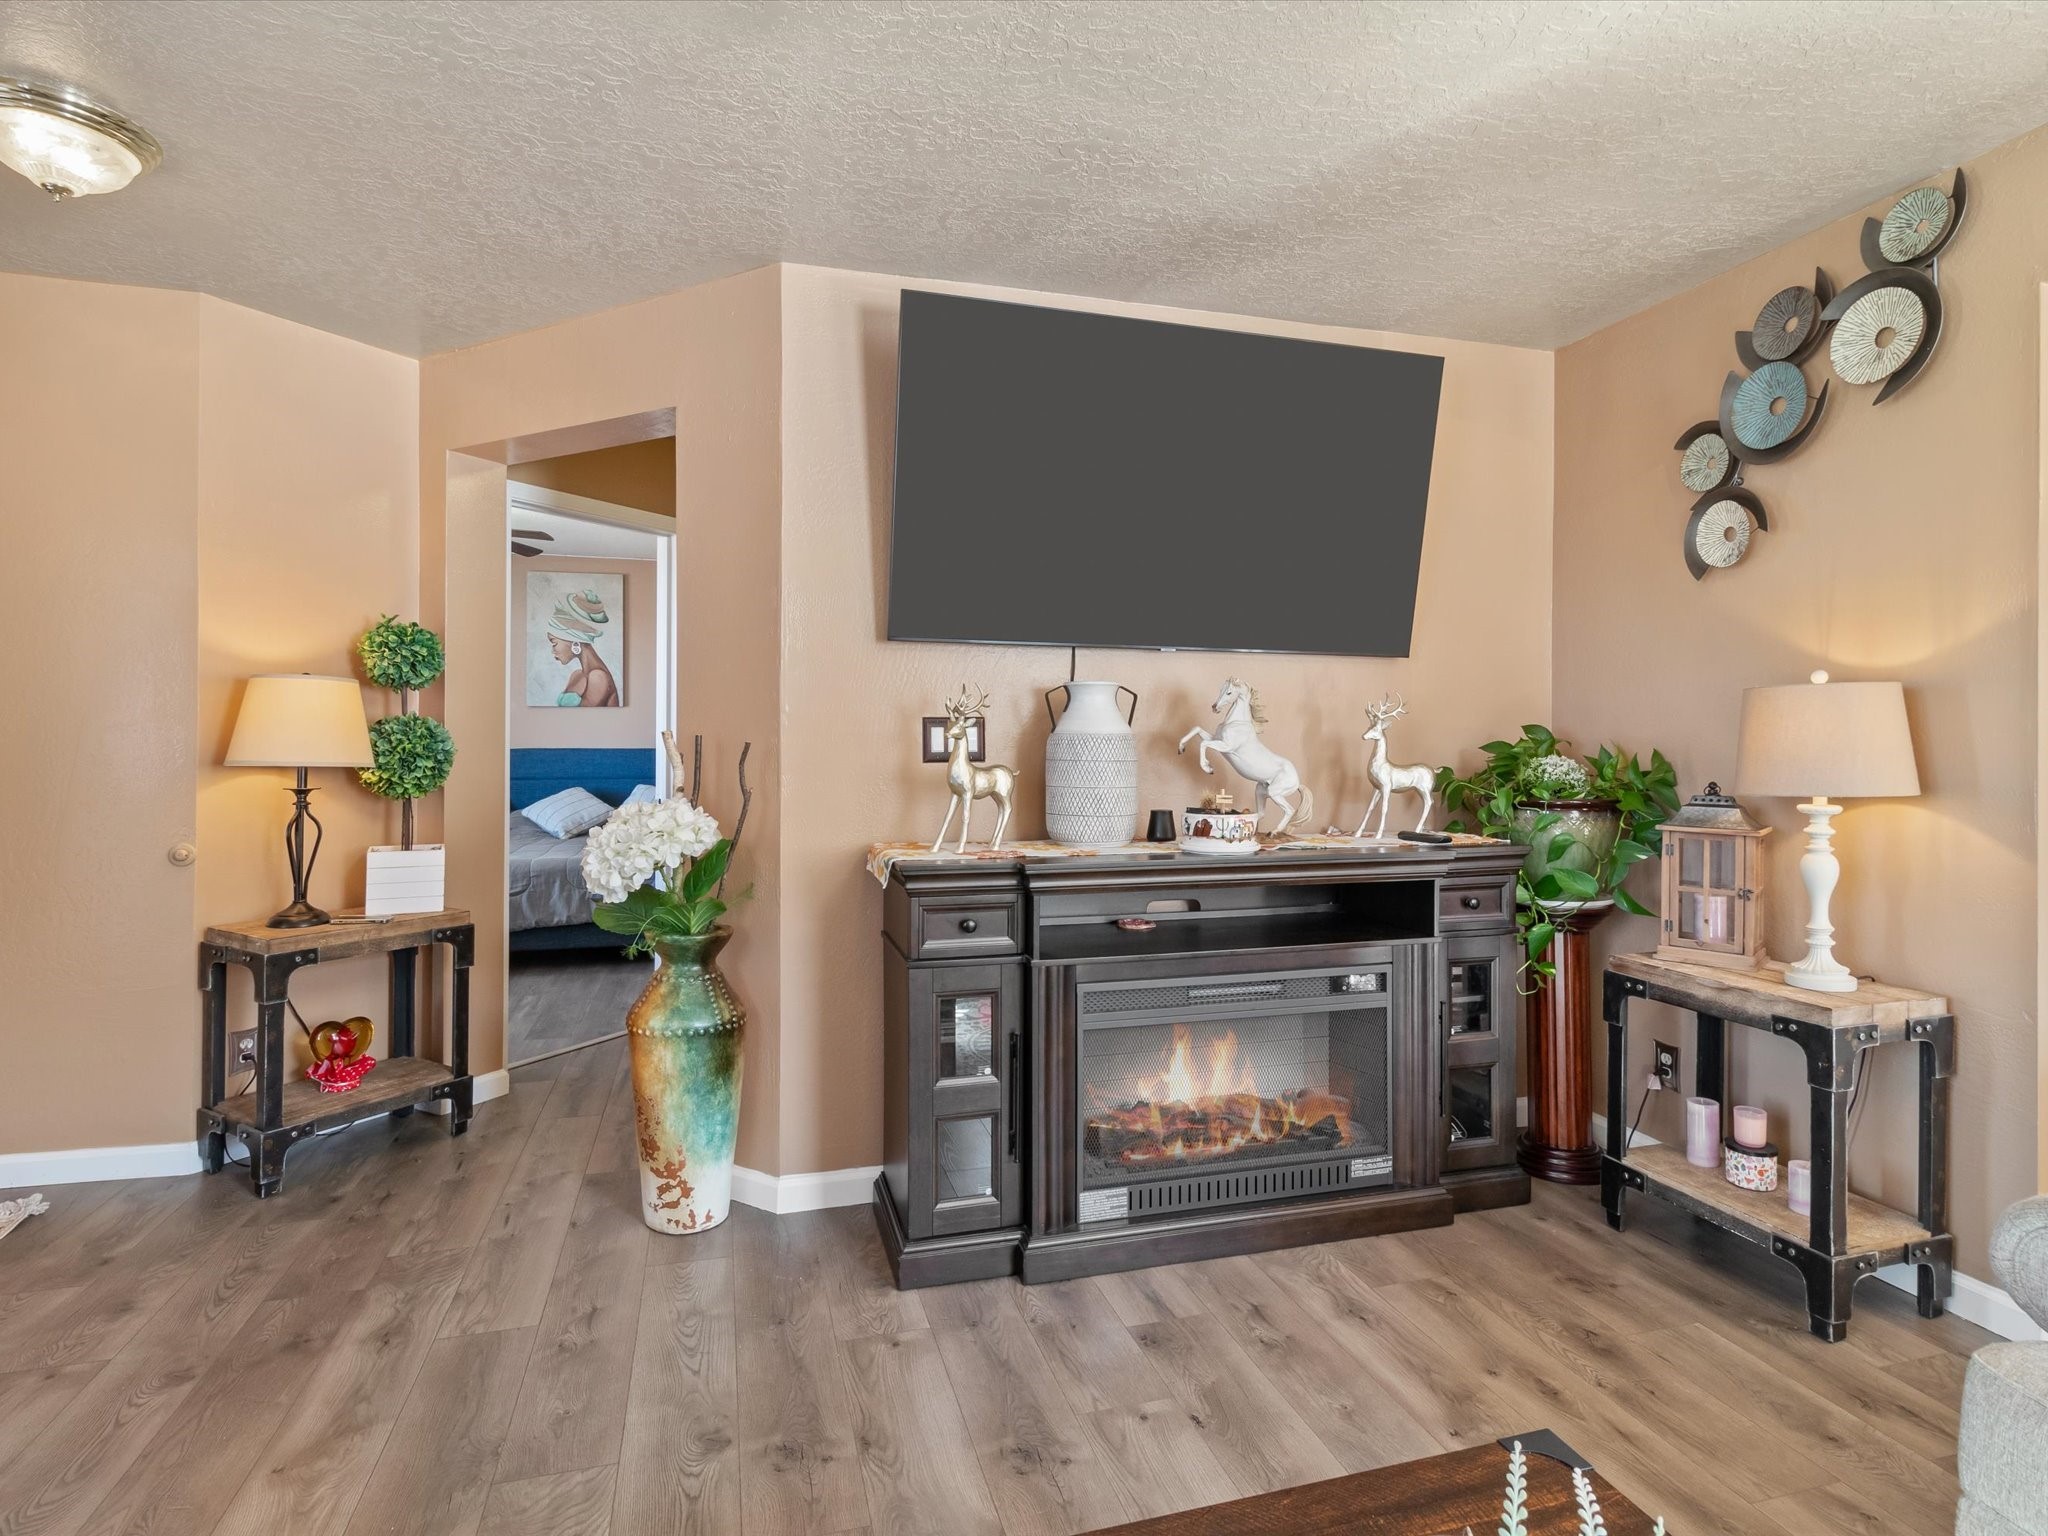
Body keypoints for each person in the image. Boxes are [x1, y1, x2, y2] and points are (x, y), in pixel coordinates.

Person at [545, 589, 619, 707]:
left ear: (575, 642)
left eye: (554, 643)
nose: (552, 650)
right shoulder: (576, 676)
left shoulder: (598, 677)